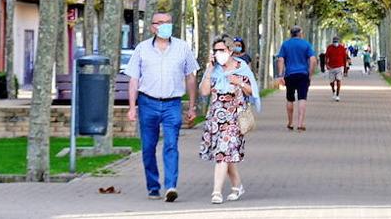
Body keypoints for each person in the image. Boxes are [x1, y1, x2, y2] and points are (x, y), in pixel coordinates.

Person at [125, 11, 199, 202]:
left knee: (171, 145)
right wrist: (132, 107)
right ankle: (153, 186)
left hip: (172, 104)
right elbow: (134, 80)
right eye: (160, 22)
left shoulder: (182, 47)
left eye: (168, 22)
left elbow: (191, 77)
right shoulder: (142, 49)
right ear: (152, 27)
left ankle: (171, 186)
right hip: (147, 102)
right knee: (148, 147)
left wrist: (192, 106)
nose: (165, 25)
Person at [199, 35, 260, 204]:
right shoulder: (213, 70)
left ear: (230, 50)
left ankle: (216, 192)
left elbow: (252, 91)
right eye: (216, 50)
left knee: (223, 153)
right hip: (216, 118)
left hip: (234, 118)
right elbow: (204, 92)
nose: (219, 53)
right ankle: (237, 186)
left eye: (222, 50)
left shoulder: (241, 68)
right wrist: (209, 70)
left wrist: (239, 82)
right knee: (225, 155)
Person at [275, 26, 317, 131]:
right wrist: (310, 74)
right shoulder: (306, 44)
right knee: (302, 98)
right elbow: (313, 60)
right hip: (303, 74)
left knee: (290, 98)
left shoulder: (285, 44)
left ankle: (290, 122)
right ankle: (300, 123)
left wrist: (280, 75)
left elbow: (280, 59)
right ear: (300, 33)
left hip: (289, 75)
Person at [324, 36, 349, 101]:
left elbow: (345, 58)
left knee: (338, 80)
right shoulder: (329, 47)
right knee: (331, 82)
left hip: (340, 67)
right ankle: (333, 91)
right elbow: (326, 57)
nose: (335, 43)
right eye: (334, 42)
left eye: (336, 41)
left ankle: (337, 95)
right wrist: (326, 65)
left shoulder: (342, 48)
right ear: (332, 42)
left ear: (338, 41)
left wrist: (345, 70)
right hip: (331, 67)